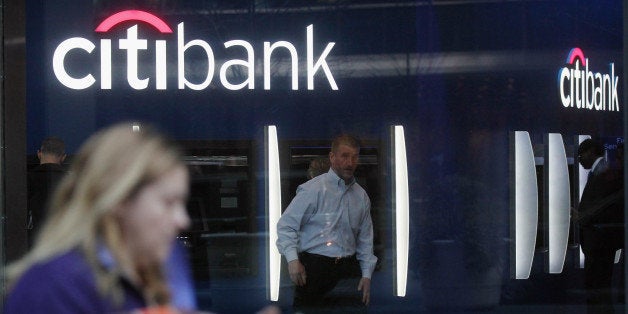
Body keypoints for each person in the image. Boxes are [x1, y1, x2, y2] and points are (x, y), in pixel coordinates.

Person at [5, 123, 194, 313]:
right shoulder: (52, 287)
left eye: (182, 204)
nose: (182, 220)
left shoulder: (168, 262)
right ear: (119, 198)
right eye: (169, 203)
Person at [276, 134, 377, 312]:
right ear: (332, 157)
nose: (350, 162)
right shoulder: (313, 189)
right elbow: (286, 226)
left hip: (348, 269)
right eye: (345, 156)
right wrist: (292, 260)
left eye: (354, 157)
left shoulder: (361, 196)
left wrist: (366, 275)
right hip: (315, 268)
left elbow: (365, 240)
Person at [575, 138, 624, 312]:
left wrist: (584, 216)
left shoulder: (605, 172)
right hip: (596, 243)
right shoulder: (600, 172)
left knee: (598, 288)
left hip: (600, 243)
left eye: (581, 154)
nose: (579, 159)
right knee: (597, 288)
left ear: (591, 152)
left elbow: (607, 207)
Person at [26, 136, 67, 247]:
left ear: (39, 154)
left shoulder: (25, 180)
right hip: (62, 241)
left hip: (34, 241)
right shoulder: (70, 181)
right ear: (63, 157)